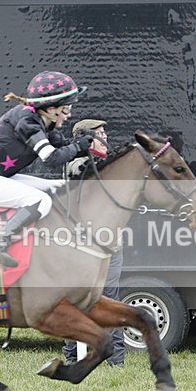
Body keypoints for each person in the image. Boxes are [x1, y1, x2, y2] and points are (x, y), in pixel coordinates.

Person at [0, 71, 93, 267]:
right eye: (66, 108)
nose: (69, 114)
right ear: (51, 109)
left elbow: (65, 149)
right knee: (40, 201)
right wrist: (77, 147)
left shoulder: (43, 124)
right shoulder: (27, 121)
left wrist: (87, 146)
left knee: (60, 186)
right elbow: (51, 158)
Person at [62, 119, 126, 367]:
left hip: (110, 246)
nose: (106, 137)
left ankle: (115, 361)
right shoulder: (77, 165)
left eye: (105, 132)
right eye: (100, 134)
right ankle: (72, 357)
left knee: (110, 301)